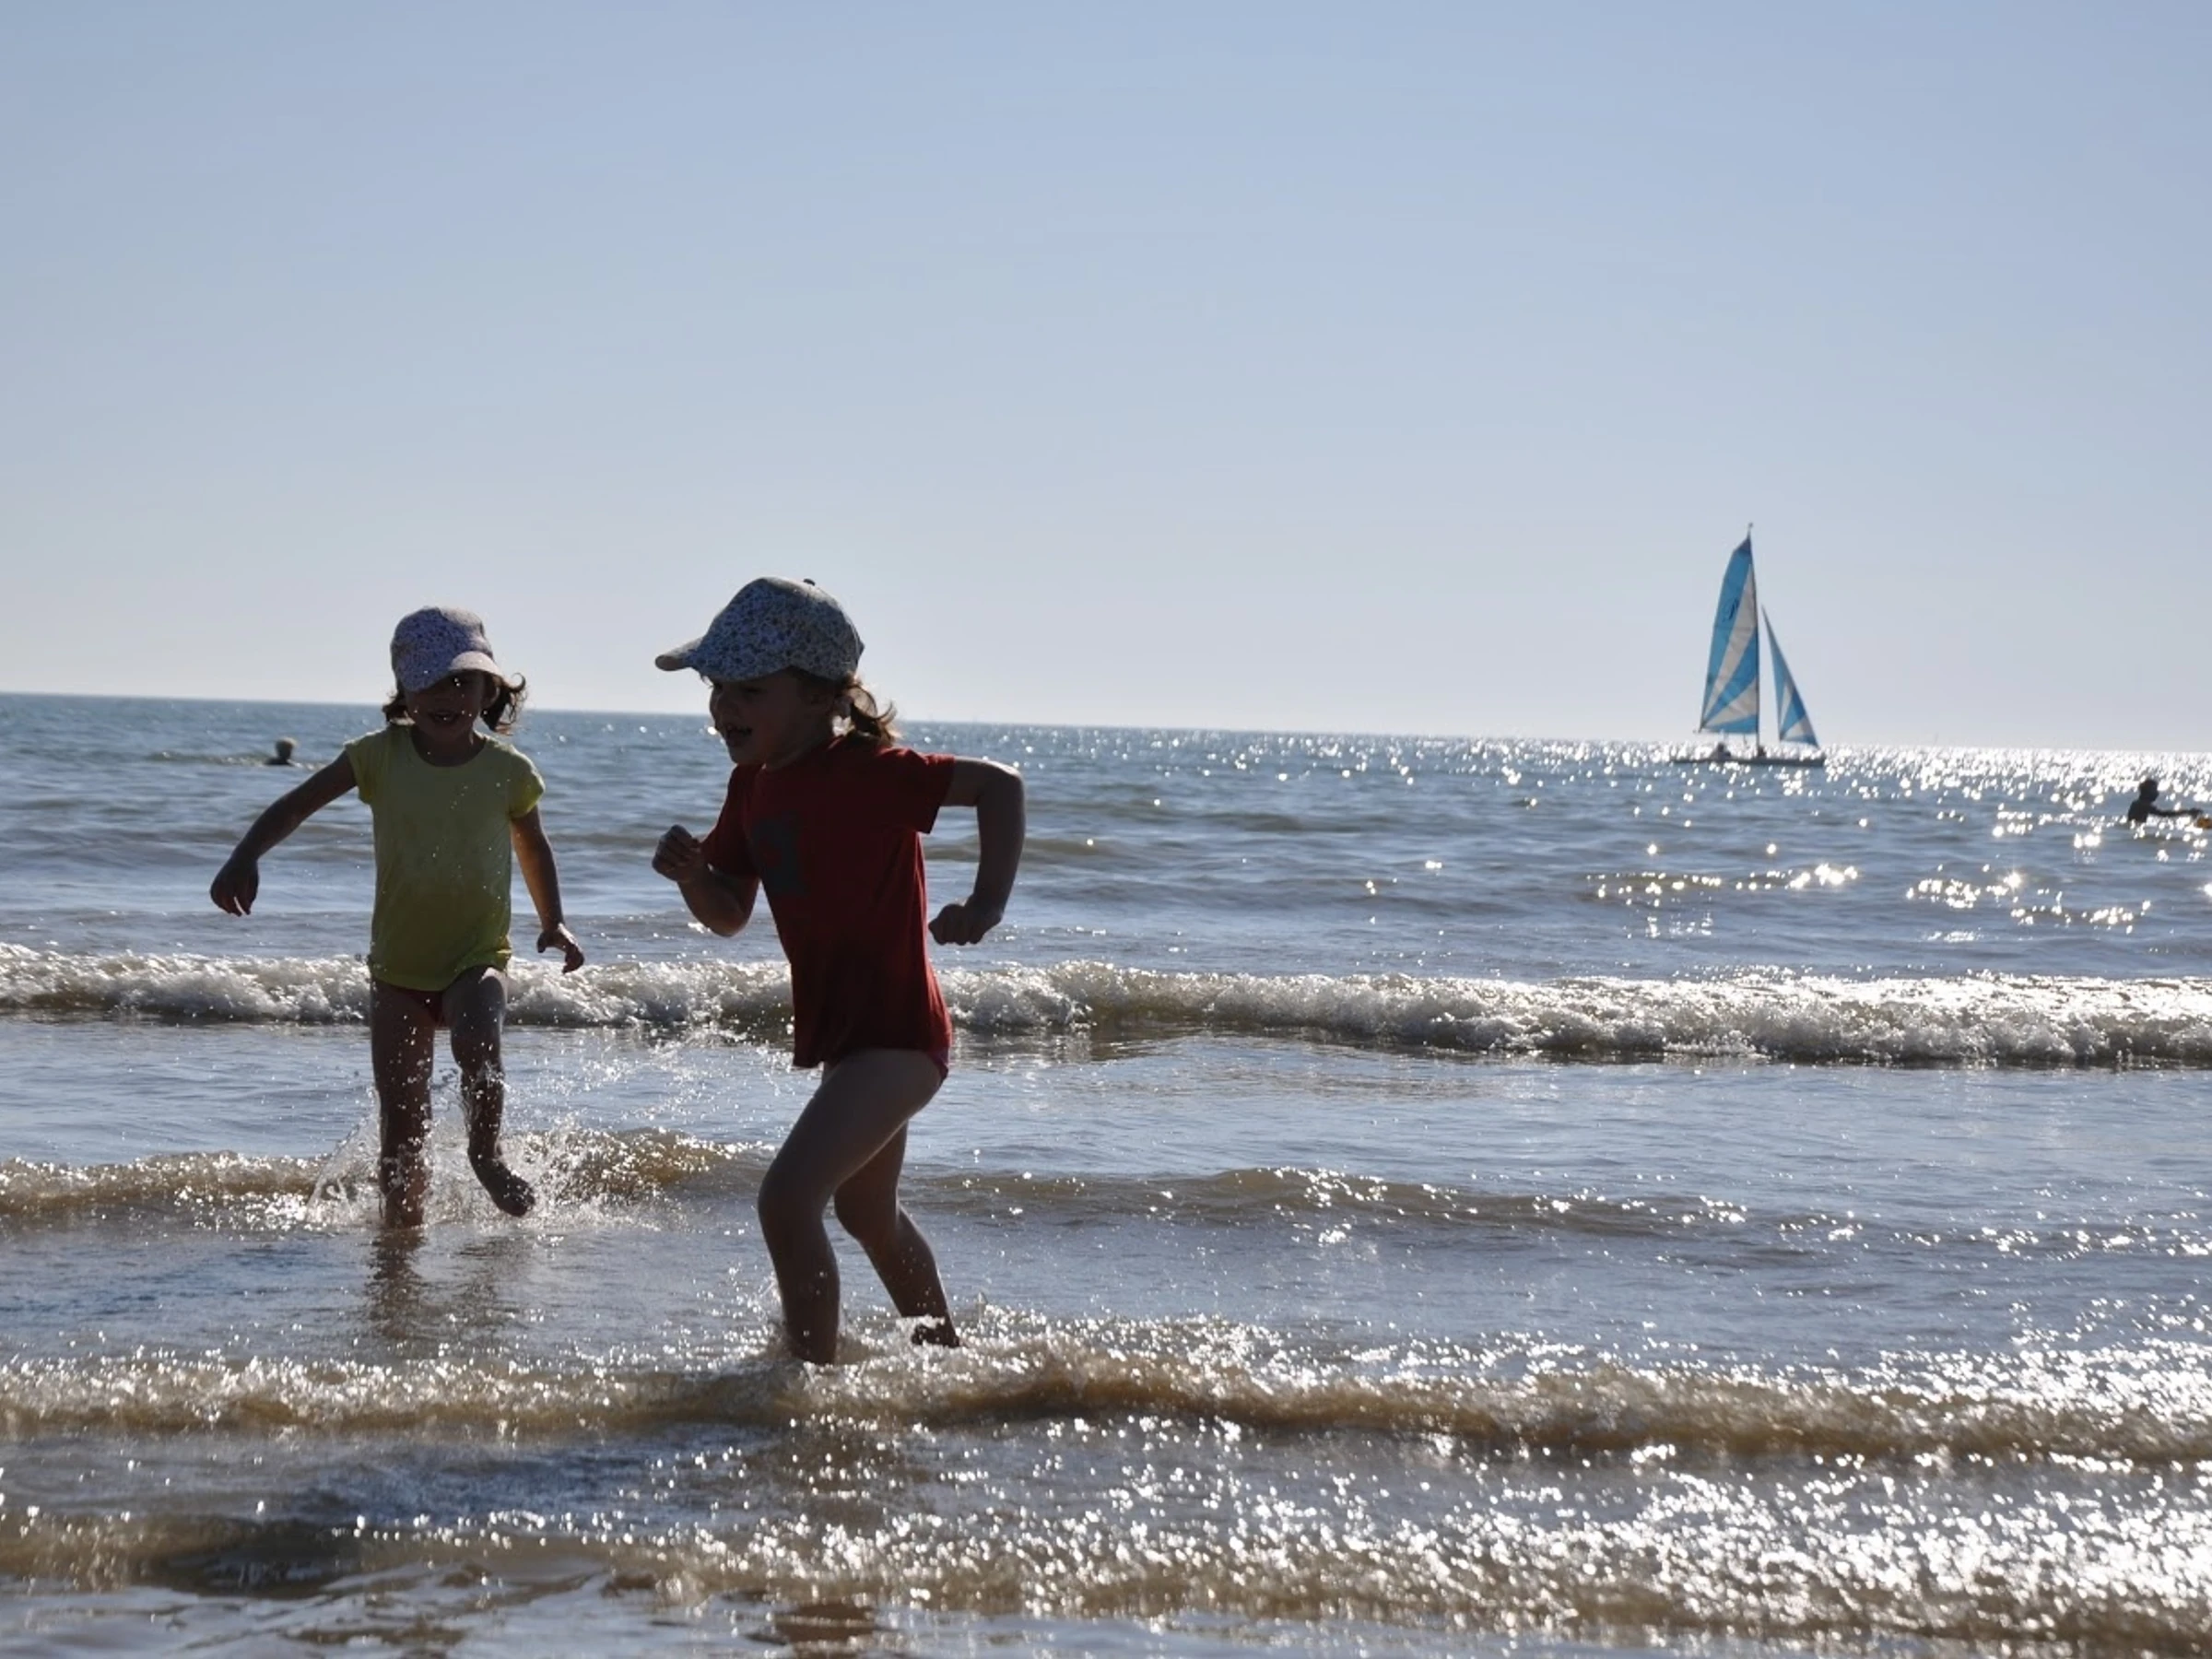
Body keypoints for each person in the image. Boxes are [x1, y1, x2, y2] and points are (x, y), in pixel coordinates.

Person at [651, 578, 1025, 1363]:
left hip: (900, 1038)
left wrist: (986, 902)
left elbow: (1000, 787)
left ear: (822, 695)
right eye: (718, 687)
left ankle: (806, 1379)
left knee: (787, 1201)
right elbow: (730, 913)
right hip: (850, 1044)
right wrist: (693, 877)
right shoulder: (751, 787)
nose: (724, 706)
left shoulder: (869, 770)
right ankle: (946, 1363)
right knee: (866, 1214)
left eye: (750, 690)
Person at [210, 606, 585, 1227]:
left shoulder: (508, 771)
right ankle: (399, 1233)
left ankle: (487, 1155)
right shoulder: (377, 757)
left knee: (478, 1043)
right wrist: (245, 855)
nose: (446, 696)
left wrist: (554, 922)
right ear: (404, 690)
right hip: (398, 971)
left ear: (489, 690)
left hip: (476, 956)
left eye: (462, 682)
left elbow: (533, 847)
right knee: (403, 1119)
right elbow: (297, 805)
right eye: (430, 682)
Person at [2125, 777, 2192, 827]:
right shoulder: (2143, 805)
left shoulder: (2137, 803)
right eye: (2154, 790)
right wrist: (2187, 812)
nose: (2157, 793)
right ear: (2147, 792)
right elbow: (2163, 814)